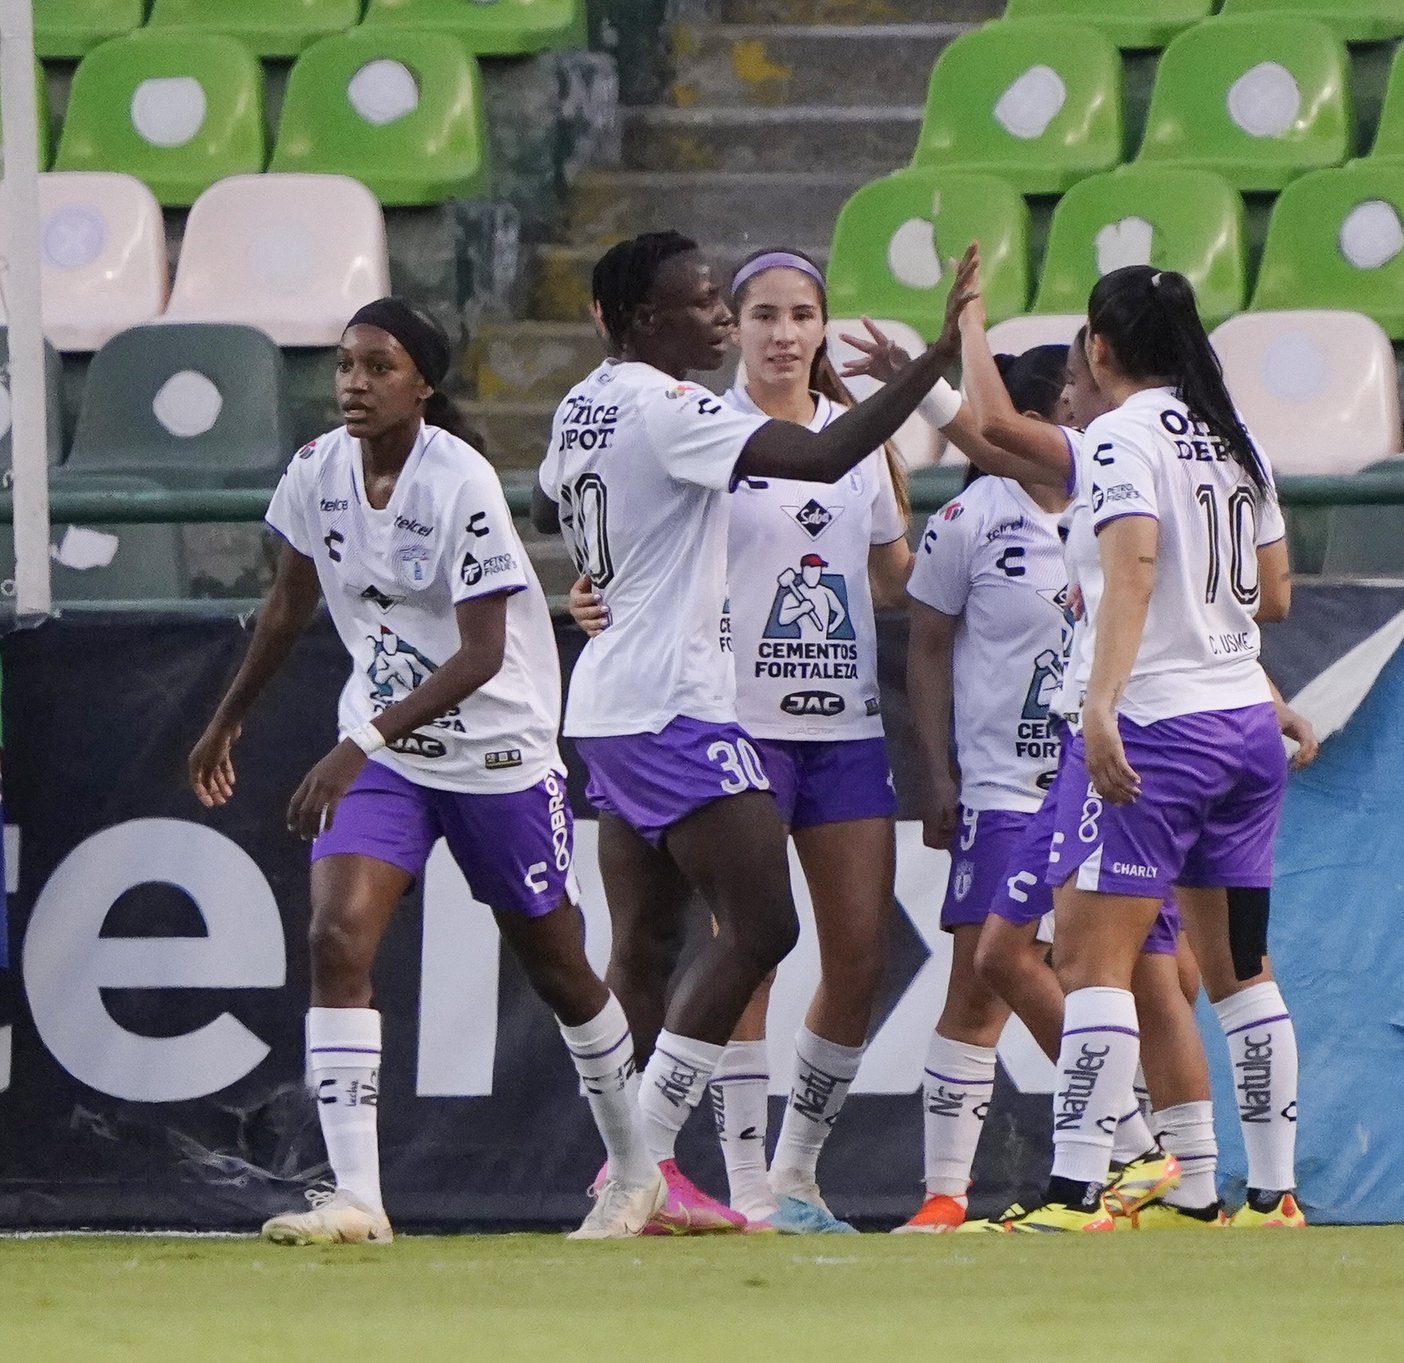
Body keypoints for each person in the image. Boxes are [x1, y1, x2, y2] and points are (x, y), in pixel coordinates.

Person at [533, 232, 976, 1234]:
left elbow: (553, 490)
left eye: (795, 313)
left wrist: (604, 563)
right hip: (707, 709)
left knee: (692, 942)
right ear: (649, 318)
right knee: (754, 934)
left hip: (760, 717)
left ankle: (725, 1177)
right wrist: (938, 366)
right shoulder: (694, 415)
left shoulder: (592, 400)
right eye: (728, 308)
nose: (747, 327)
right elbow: (818, 455)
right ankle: (675, 1174)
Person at [188, 298, 656, 1244]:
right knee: (335, 934)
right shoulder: (317, 472)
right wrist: (227, 718)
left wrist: (355, 743)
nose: (354, 384)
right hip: (390, 750)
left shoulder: (461, 483)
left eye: (379, 366)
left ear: (424, 383)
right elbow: (286, 606)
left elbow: (483, 653)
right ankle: (359, 1198)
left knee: (559, 967)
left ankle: (637, 1172)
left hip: (498, 754)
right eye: (346, 366)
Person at [976, 267, 1306, 1231]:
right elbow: (1273, 591)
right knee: (1241, 966)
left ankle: (1080, 1192)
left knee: (1090, 959)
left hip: (1160, 729)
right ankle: (1257, 1194)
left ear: (1100, 348)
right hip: (1244, 723)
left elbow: (1132, 566)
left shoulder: (1121, 436)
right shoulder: (1231, 436)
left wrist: (1103, 705)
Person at [895, 345, 1195, 1231]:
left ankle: (1172, 1165)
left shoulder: (1120, 497)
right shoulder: (968, 519)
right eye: (1067, 404)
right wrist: (938, 771)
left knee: (1160, 972)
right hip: (1005, 785)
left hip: (1112, 774)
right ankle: (950, 1192)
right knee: (984, 978)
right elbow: (927, 645)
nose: (1083, 417)